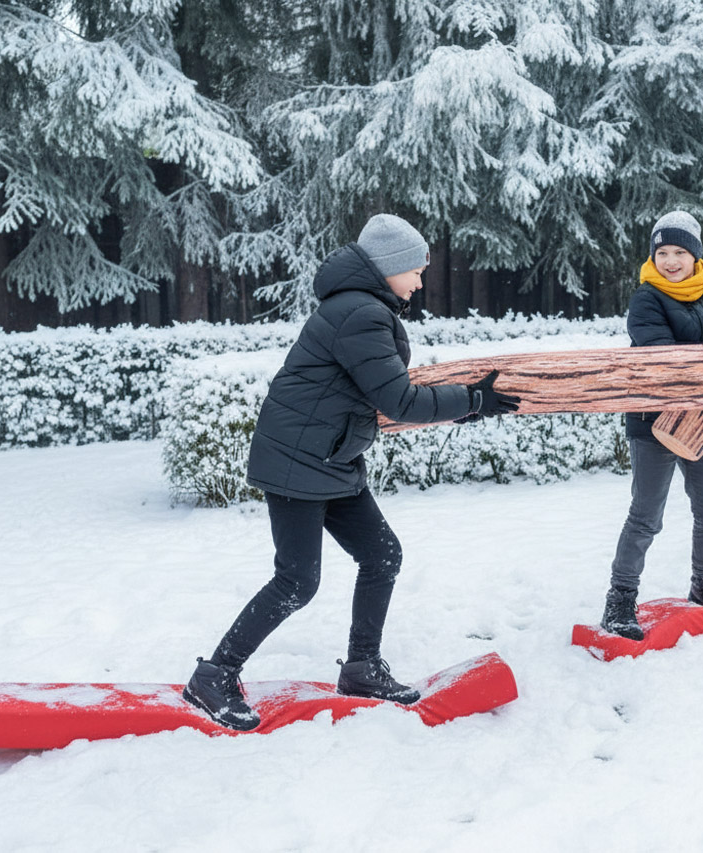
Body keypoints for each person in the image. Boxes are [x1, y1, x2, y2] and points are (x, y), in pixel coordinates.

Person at [184, 213, 520, 730]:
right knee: (297, 581)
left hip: (330, 458)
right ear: (389, 268)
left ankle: (362, 668)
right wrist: (473, 400)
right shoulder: (359, 313)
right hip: (298, 461)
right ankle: (214, 675)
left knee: (381, 554)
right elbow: (398, 398)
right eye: (415, 269)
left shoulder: (362, 307)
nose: (421, 280)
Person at [601, 210, 703, 640]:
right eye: (662, 252)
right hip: (654, 422)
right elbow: (664, 358)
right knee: (646, 516)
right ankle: (620, 601)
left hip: (702, 420)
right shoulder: (646, 298)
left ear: (695, 255)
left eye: (679, 252)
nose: (670, 260)